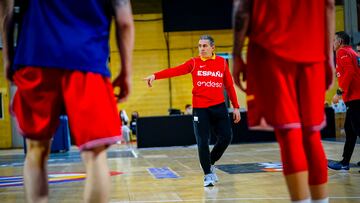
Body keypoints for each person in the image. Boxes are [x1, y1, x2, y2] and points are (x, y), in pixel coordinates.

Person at [0, 0, 134, 202]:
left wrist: (8, 57)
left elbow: (6, 9)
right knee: (95, 155)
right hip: (88, 59)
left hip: (36, 54)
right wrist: (126, 71)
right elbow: (124, 21)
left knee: (36, 150)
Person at [232, 0, 334, 202]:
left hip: (271, 50)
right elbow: (329, 5)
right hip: (312, 50)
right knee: (311, 134)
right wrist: (328, 56)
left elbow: (242, 9)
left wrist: (236, 54)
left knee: (290, 133)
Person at [144, 35, 241, 187]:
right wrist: (155, 76)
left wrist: (236, 106)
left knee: (226, 137)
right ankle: (208, 174)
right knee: (203, 141)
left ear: (212, 47)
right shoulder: (194, 63)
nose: (201, 49)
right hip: (200, 108)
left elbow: (229, 85)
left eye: (204, 46)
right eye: (199, 46)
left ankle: (210, 162)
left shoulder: (222, 62)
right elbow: (175, 71)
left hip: (219, 107)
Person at [328, 31, 360, 171]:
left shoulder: (342, 52)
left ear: (340, 41)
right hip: (355, 98)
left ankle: (344, 162)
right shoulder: (353, 52)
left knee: (357, 130)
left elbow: (350, 72)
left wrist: (339, 93)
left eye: (334, 40)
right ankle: (345, 163)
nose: (333, 43)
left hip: (355, 99)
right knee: (350, 131)